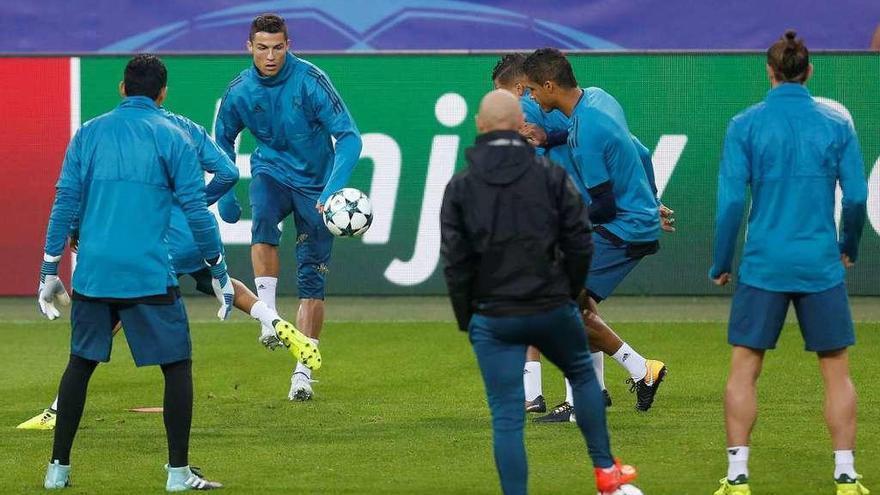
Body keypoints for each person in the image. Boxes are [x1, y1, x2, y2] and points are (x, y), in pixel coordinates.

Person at [18, 106, 320, 431]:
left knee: (115, 312)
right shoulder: (184, 126)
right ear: (161, 93)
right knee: (211, 280)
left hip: (158, 234)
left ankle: (57, 409)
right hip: (192, 229)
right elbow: (228, 173)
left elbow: (92, 188)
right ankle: (272, 319)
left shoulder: (120, 132)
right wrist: (196, 202)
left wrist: (75, 229)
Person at [37, 54, 227, 491]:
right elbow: (197, 212)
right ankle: (178, 474)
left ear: (123, 88)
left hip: (94, 275)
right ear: (162, 94)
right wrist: (217, 267)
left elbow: (65, 202)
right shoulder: (175, 137)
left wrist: (49, 267)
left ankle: (57, 470)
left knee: (80, 365)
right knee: (177, 366)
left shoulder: (88, 134)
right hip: (147, 273)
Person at [440, 88, 639, 495]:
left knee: (507, 415)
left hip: (494, 315)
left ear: (479, 126)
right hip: (551, 305)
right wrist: (573, 294)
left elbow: (456, 263)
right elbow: (580, 240)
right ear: (520, 127)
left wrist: (469, 318)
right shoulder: (550, 176)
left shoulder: (461, 187)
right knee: (583, 376)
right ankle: (606, 473)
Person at [710, 31, 869, 495]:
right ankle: (845, 473)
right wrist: (849, 246)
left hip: (763, 265)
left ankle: (738, 476)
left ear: (770, 71)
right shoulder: (836, 125)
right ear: (809, 70)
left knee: (744, 367)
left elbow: (729, 204)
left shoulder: (745, 125)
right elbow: (857, 196)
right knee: (836, 369)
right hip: (819, 263)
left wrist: (722, 261)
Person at [492, 53, 676, 416]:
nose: (529, 99)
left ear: (541, 87)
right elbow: (638, 150)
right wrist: (649, 198)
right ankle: (630, 376)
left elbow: (603, 202)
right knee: (576, 305)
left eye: (530, 91)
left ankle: (585, 392)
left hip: (613, 226)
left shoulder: (538, 119)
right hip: (619, 220)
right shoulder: (596, 100)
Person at [214, 13, 362, 401]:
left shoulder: (311, 81)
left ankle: (302, 371)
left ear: (288, 45)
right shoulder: (239, 91)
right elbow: (223, 139)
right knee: (261, 221)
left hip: (317, 185)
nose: (270, 55)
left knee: (313, 280)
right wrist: (227, 191)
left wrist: (331, 191)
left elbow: (349, 138)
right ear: (249, 47)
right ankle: (268, 317)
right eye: (262, 47)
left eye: (278, 47)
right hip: (271, 172)